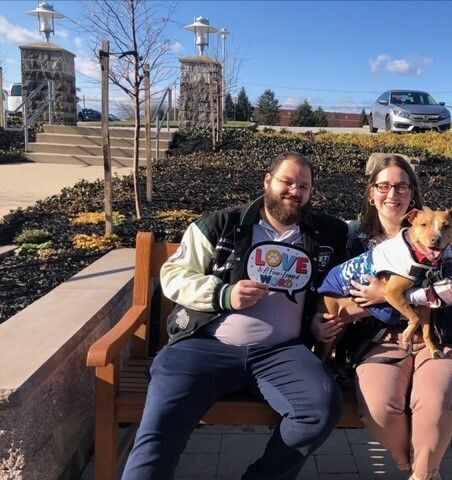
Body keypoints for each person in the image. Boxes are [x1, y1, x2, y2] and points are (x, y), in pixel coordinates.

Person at [121, 152, 348, 480]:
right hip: (203, 346)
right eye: (287, 181)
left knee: (320, 408)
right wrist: (224, 294)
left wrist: (317, 322)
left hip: (280, 352)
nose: (294, 191)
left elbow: (334, 285)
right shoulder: (221, 225)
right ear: (268, 181)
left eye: (304, 186)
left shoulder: (326, 234)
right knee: (161, 424)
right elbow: (173, 275)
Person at [313, 154, 452, 480]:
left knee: (433, 402)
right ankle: (418, 468)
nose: (392, 194)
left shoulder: (440, 239)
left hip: (440, 339)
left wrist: (391, 295)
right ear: (371, 193)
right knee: (379, 407)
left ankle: (422, 475)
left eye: (401, 186)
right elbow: (336, 299)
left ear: (412, 194)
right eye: (384, 186)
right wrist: (322, 323)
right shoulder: (354, 242)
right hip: (381, 342)